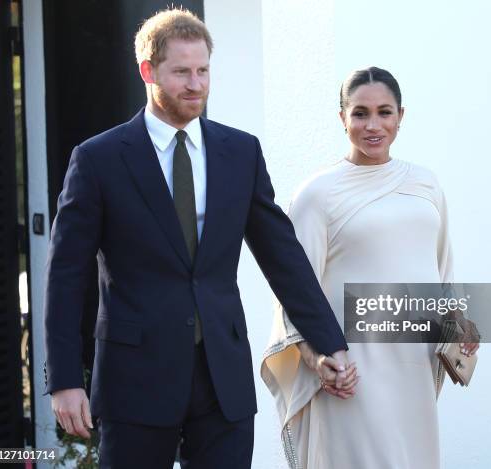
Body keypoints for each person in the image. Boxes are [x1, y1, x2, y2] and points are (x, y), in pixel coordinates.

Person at [43, 8, 356, 469]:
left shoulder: (240, 152)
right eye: (181, 72)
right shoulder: (98, 159)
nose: (195, 84)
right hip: (135, 380)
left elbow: (282, 256)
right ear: (148, 71)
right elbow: (65, 274)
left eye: (203, 70)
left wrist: (331, 341)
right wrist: (65, 379)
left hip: (222, 378)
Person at [261, 66, 479, 469]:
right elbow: (293, 291)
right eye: (360, 113)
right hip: (352, 369)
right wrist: (318, 359)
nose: (373, 125)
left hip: (413, 365)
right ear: (342, 117)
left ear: (401, 115)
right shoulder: (316, 195)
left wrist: (459, 325)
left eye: (385, 112)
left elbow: (444, 275)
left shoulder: (427, 184)